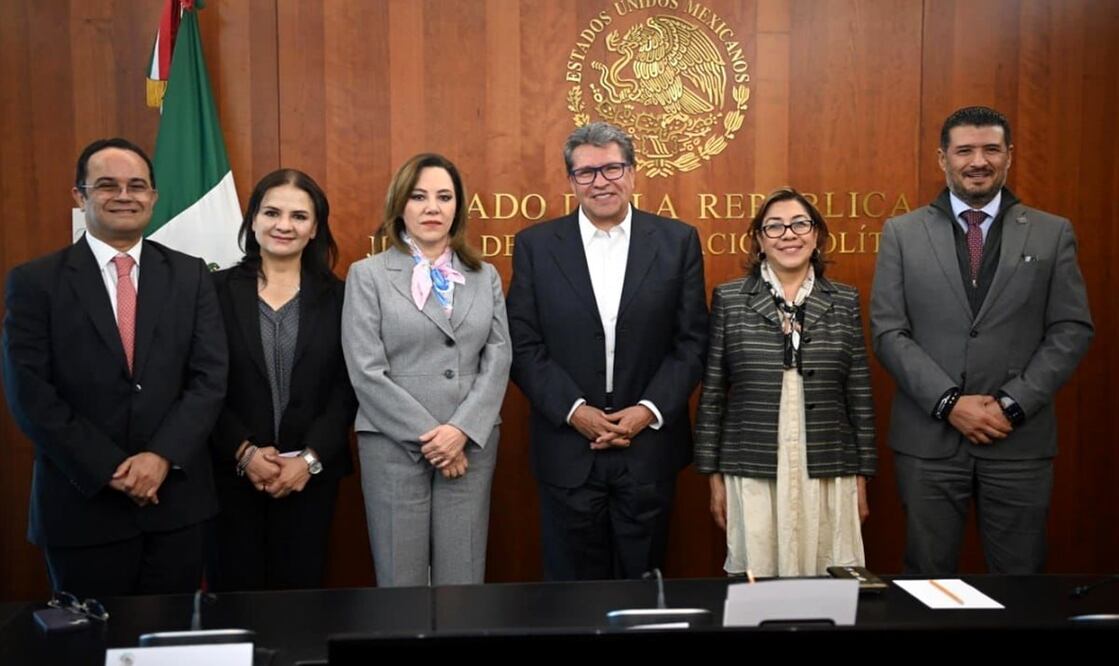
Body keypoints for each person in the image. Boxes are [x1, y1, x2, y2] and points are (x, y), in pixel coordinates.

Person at [871, 106, 1094, 574]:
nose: (978, 160)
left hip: (1018, 439)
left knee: (1021, 584)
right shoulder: (902, 233)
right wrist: (950, 402)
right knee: (927, 584)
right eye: (965, 150)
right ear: (942, 158)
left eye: (991, 149)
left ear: (1009, 156)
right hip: (929, 442)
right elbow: (889, 332)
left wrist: (1012, 404)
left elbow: (1071, 329)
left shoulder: (1053, 233)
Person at [2, 138, 227, 597]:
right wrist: (111, 468)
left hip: (176, 505)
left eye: (137, 185)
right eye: (107, 185)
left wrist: (160, 457)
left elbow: (209, 378)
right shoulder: (35, 282)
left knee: (172, 647)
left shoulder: (191, 275)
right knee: (87, 648)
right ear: (80, 196)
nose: (124, 195)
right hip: (81, 504)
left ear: (153, 197)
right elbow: (30, 394)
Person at [506, 122, 708, 581]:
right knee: (572, 599)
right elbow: (523, 343)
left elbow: (692, 340)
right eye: (587, 173)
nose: (601, 181)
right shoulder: (536, 246)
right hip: (568, 448)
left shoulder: (677, 242)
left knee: (645, 591)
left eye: (612, 168)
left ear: (633, 173)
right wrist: (575, 411)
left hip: (648, 448)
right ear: (571, 181)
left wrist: (646, 411)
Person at [342, 153, 511, 587]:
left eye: (444, 197)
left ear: (458, 207)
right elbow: (365, 370)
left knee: (463, 578)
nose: (432, 207)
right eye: (419, 197)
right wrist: (433, 440)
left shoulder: (485, 275)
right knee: (401, 581)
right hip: (394, 445)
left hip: (469, 446)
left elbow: (498, 357)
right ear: (400, 204)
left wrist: (459, 433)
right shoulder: (368, 275)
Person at [694, 187, 875, 577]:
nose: (788, 235)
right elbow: (712, 395)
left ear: (816, 235)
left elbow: (858, 393)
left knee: (829, 574)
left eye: (799, 224)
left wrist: (862, 475)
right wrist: (714, 477)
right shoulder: (730, 298)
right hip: (753, 461)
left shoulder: (844, 300)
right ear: (759, 239)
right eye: (774, 227)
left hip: (829, 463)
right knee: (759, 577)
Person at [207, 169, 356, 591]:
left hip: (309, 477)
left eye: (299, 216)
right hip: (229, 476)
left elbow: (347, 388)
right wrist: (244, 453)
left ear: (314, 230)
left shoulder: (343, 297)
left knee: (300, 604)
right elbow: (202, 383)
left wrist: (307, 460)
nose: (284, 225)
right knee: (234, 602)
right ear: (252, 220)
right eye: (271, 212)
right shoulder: (212, 291)